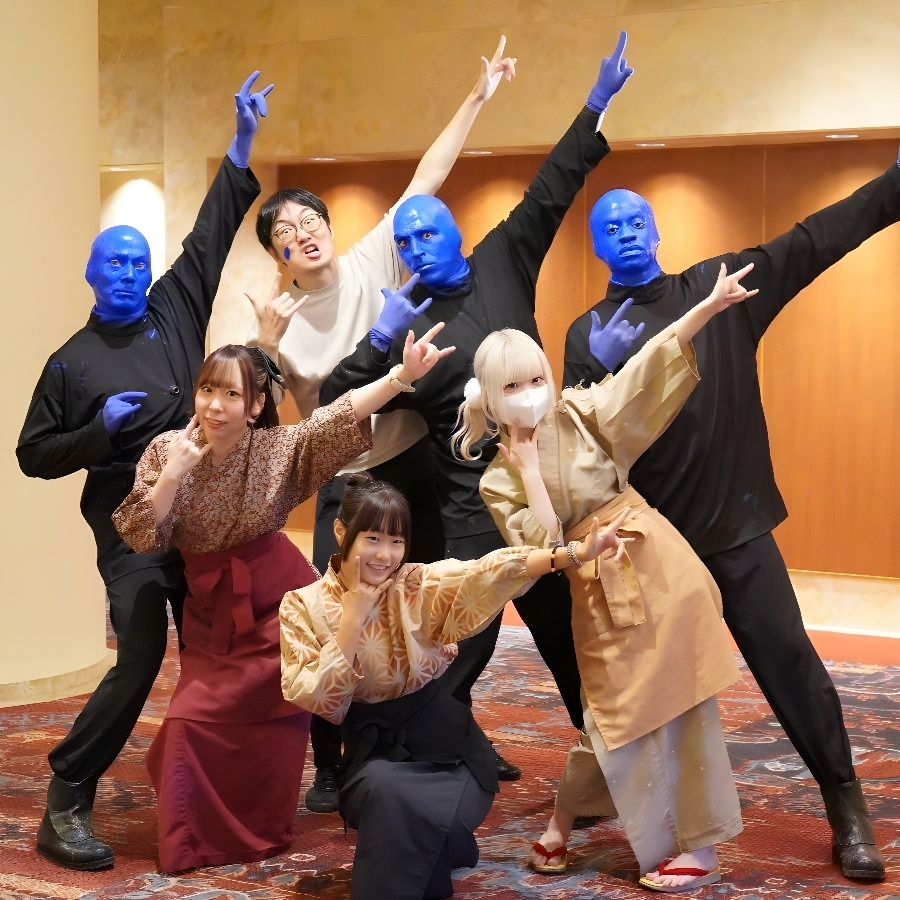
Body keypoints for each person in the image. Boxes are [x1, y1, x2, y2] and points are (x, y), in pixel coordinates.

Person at [561, 161, 900, 882]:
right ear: (596, 246)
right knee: (640, 686)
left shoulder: (718, 288)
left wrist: (896, 182)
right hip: (650, 542)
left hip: (735, 526)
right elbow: (580, 445)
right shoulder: (587, 333)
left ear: (656, 231)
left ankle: (846, 804)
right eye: (610, 227)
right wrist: (607, 373)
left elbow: (814, 239)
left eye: (636, 221)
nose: (626, 233)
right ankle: (620, 806)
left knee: (791, 664)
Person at [320, 32, 634, 769]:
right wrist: (381, 344)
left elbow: (551, 190)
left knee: (571, 645)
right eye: (405, 241)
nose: (417, 245)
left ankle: (608, 768)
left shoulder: (501, 258)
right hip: (471, 516)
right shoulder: (406, 327)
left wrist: (596, 101)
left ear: (455, 229)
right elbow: (336, 403)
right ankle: (399, 767)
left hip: (546, 496)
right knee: (456, 656)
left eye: (428, 229)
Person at [248, 37, 517, 809]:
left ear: (328, 225)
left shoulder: (374, 258)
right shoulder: (285, 317)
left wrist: (477, 97)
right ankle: (331, 763)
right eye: (285, 233)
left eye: (309, 219)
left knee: (427, 606)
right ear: (278, 254)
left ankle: (444, 731)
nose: (303, 232)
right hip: (352, 478)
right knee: (343, 613)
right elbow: (295, 420)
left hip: (418, 465)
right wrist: (266, 347)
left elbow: (429, 173)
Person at [15, 72, 272, 871]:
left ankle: (241, 788)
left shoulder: (173, 309)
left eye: (138, 262)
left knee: (240, 641)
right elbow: (31, 455)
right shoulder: (70, 361)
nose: (129, 273)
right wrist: (98, 432)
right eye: (115, 263)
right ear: (91, 275)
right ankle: (67, 793)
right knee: (140, 654)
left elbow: (212, 234)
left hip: (205, 517)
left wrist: (241, 143)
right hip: (130, 532)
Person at [457, 262, 755, 892]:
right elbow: (543, 544)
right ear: (491, 394)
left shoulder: (580, 411)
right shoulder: (498, 478)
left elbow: (648, 368)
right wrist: (529, 469)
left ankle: (698, 846)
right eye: (514, 385)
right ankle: (567, 819)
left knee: (679, 700)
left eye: (537, 377)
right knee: (613, 713)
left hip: (654, 563)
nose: (531, 391)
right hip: (591, 579)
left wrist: (707, 307)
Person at [111, 324, 453, 873]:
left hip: (281, 602)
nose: (215, 405)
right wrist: (172, 474)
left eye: (231, 394)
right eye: (207, 390)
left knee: (279, 717)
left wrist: (400, 376)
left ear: (253, 406)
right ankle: (191, 838)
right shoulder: (166, 449)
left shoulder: (274, 450)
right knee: (188, 722)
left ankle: (265, 827)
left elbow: (335, 418)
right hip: (213, 609)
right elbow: (141, 534)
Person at [279, 473, 630, 900]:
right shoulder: (302, 605)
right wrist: (352, 620)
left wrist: (573, 553)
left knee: (403, 808)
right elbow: (322, 702)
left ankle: (440, 843)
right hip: (371, 754)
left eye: (396, 541)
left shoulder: (417, 584)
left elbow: (487, 571)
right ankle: (447, 845)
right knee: (388, 794)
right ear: (340, 531)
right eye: (372, 539)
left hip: (449, 748)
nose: (386, 555)